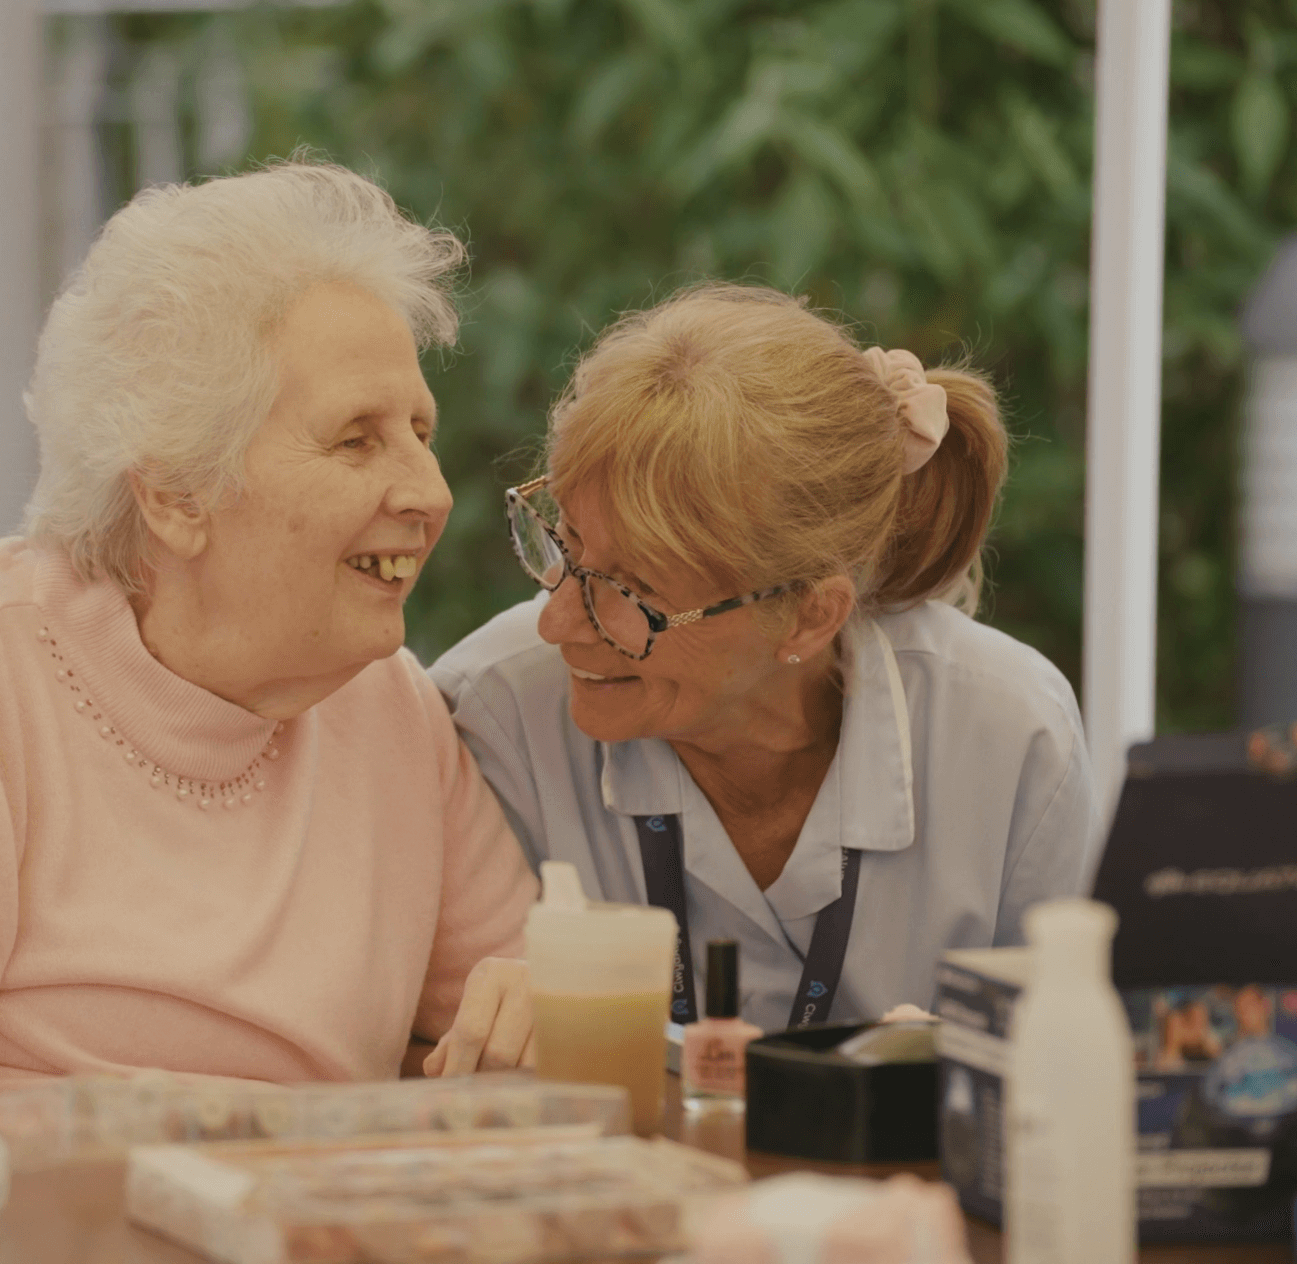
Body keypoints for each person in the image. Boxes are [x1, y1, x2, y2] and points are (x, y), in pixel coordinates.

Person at [0, 161, 539, 1119]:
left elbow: (531, 1005)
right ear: (175, 495)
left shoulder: (387, 705)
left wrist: (539, 1007)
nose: (430, 493)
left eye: (420, 430)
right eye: (357, 440)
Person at [431, 284, 1102, 1035]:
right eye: (565, 543)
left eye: (636, 592)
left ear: (812, 615)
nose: (556, 623)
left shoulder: (1011, 734)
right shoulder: (490, 712)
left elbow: (1059, 1068)